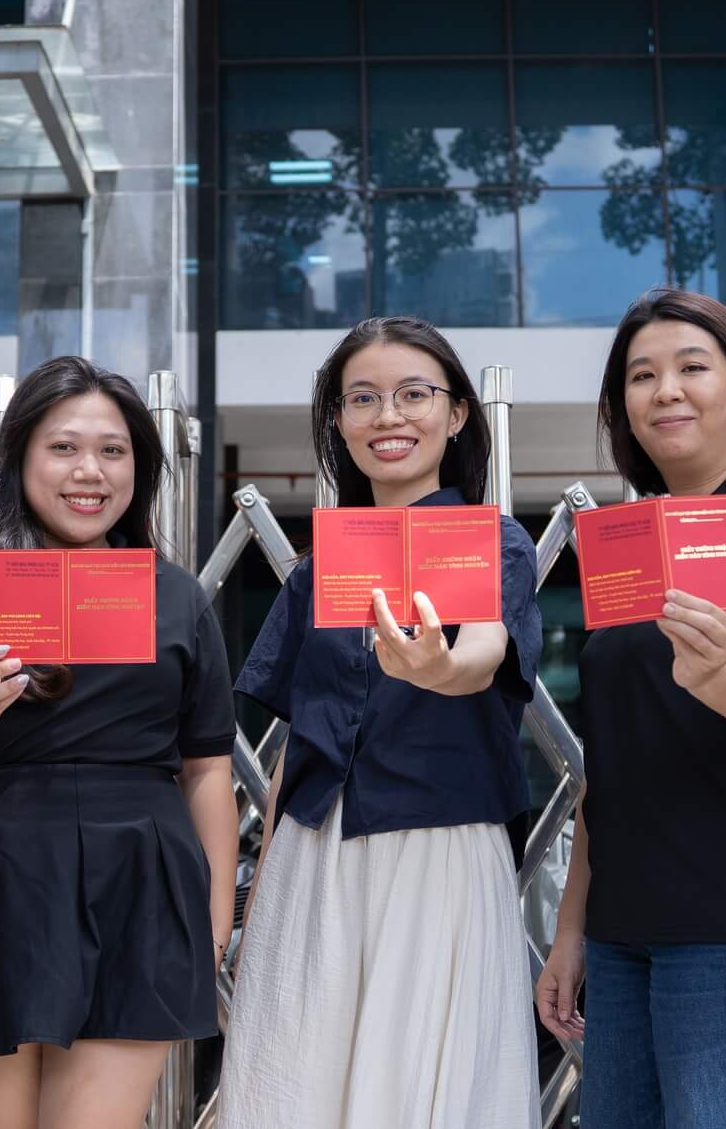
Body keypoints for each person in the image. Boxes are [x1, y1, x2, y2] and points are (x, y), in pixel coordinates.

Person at [0, 355, 237, 1129]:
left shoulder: (178, 596)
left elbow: (207, 766)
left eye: (113, 450)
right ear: (19, 457)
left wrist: (213, 921)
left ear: (139, 469)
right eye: (64, 447)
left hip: (140, 882)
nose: (90, 471)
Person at [533, 289, 726, 1129]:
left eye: (691, 367)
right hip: (624, 934)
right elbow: (612, 763)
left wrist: (716, 673)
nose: (665, 389)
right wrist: (573, 928)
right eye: (641, 376)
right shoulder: (631, 543)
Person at [220, 315, 542, 1129]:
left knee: (426, 1087)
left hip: (438, 851)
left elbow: (483, 653)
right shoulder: (317, 569)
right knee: (295, 1087)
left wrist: (438, 667)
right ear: (338, 420)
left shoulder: (494, 541)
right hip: (314, 857)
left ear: (457, 412)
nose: (387, 415)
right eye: (361, 398)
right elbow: (299, 743)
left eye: (413, 394)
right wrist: (262, 905)